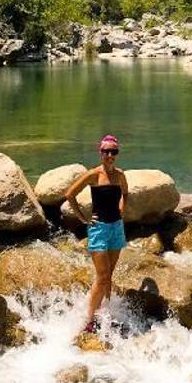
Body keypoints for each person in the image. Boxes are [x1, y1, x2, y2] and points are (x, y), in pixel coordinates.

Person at [65, 134, 129, 334]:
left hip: (116, 228)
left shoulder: (120, 175)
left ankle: (106, 313)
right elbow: (69, 194)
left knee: (109, 275)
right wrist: (83, 218)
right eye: (106, 151)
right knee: (101, 277)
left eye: (113, 151)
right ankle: (89, 321)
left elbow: (125, 193)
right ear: (100, 152)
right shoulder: (94, 175)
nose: (110, 155)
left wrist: (122, 208)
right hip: (99, 228)